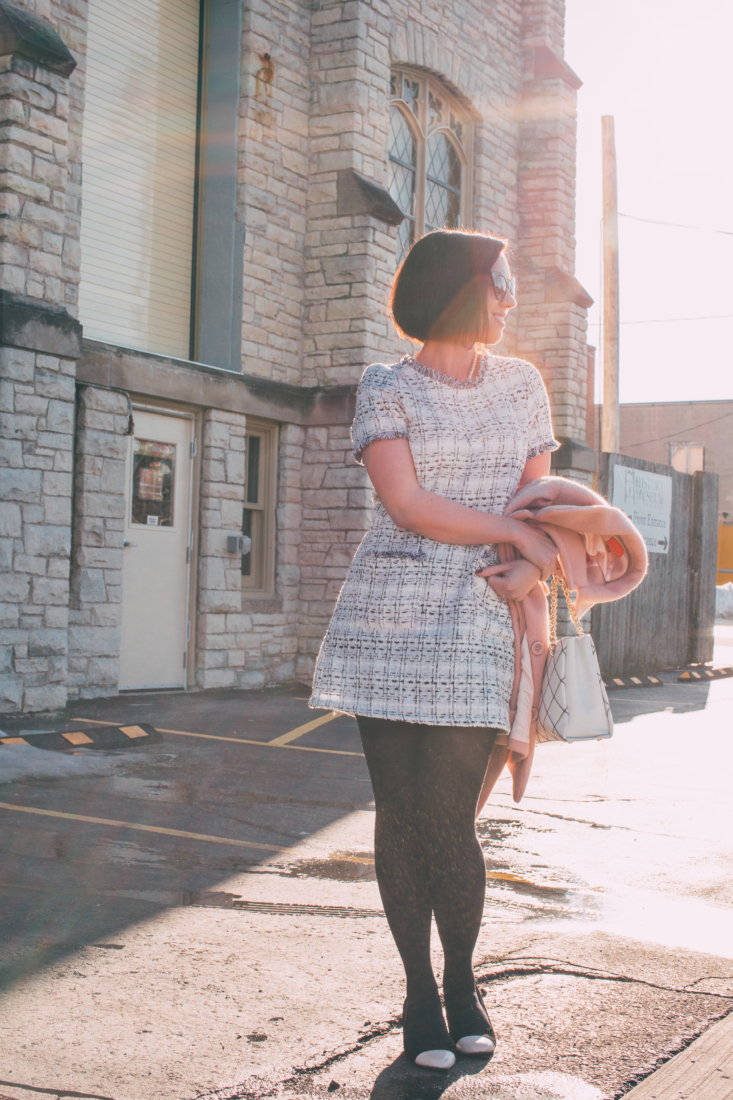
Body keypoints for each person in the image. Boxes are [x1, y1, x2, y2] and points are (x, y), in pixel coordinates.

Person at [309, 229, 560, 1070]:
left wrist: (531, 560)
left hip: (477, 617)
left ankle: (462, 982)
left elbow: (541, 500)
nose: (508, 297)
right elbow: (407, 502)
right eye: (498, 280)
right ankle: (417, 995)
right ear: (459, 286)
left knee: (448, 820)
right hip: (386, 617)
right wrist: (508, 532)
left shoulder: (522, 383)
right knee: (399, 816)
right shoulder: (386, 383)